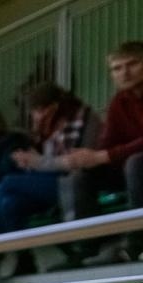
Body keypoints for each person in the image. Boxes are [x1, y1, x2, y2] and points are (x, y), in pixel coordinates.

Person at [0, 82, 99, 241]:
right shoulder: (43, 129)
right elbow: (44, 161)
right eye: (34, 111)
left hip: (73, 180)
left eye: (40, 110)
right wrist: (29, 161)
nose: (37, 116)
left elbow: (77, 160)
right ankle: (23, 258)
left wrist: (38, 162)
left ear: (55, 106)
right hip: (48, 180)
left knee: (7, 183)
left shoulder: (84, 119)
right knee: (10, 203)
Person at [66, 41, 143, 260]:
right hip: (133, 167)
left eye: (133, 64)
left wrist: (105, 155)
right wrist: (89, 158)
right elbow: (108, 142)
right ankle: (86, 249)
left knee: (135, 163)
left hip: (137, 165)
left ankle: (137, 241)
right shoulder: (120, 101)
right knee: (81, 177)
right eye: (117, 68)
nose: (124, 73)